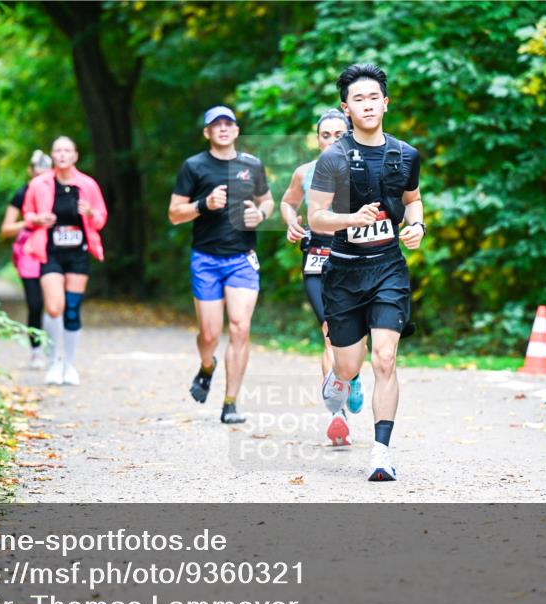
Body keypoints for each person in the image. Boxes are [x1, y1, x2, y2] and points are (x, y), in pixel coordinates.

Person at [307, 64, 426, 481]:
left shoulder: (405, 155)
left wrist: (417, 225)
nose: (368, 105)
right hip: (343, 271)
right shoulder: (333, 158)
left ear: (386, 103)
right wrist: (351, 219)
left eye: (374, 97)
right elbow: (316, 217)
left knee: (386, 358)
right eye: (358, 99)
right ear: (347, 108)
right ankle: (340, 380)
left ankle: (381, 452)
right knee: (347, 366)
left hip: (388, 268)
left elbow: (412, 200)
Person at [168, 106, 274, 424]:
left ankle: (230, 403)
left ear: (237, 130)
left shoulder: (252, 164)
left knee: (240, 327)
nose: (224, 128)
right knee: (210, 334)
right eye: (217, 124)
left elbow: (267, 200)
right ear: (207, 132)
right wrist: (204, 204)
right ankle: (207, 365)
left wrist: (261, 214)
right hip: (206, 259)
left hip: (242, 258)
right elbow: (174, 214)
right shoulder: (194, 166)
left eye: (229, 123)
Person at [280, 109, 366, 443]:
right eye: (325, 135)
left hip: (354, 259)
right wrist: (292, 222)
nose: (331, 141)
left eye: (338, 135)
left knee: (356, 335)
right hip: (317, 259)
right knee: (330, 332)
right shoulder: (305, 172)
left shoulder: (362, 169)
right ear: (317, 140)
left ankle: (352, 375)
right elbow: (288, 203)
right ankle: (337, 414)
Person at [22, 136, 108, 386]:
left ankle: (69, 365)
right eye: (58, 150)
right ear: (52, 155)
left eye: (67, 150)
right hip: (50, 251)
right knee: (53, 307)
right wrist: (38, 219)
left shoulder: (88, 185)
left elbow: (101, 218)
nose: (62, 155)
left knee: (71, 308)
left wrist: (90, 213)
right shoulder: (39, 184)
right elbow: (27, 214)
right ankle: (53, 362)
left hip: (78, 253)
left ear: (75, 155)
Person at [0, 149, 54, 368]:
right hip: (28, 252)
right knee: (35, 303)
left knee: (54, 302)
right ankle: (36, 351)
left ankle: (54, 349)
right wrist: (31, 222)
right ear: (30, 171)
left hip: (53, 249)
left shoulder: (56, 191)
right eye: (36, 173)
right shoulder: (22, 193)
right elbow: (6, 229)